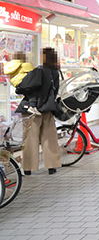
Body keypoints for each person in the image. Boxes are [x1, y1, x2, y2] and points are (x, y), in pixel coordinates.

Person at [15, 47, 62, 175]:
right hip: (48, 108)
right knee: (49, 138)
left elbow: (24, 87)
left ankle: (28, 168)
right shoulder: (56, 72)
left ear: (45, 57)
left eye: (42, 55)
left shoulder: (39, 71)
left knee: (30, 139)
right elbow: (55, 91)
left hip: (32, 110)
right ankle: (52, 166)